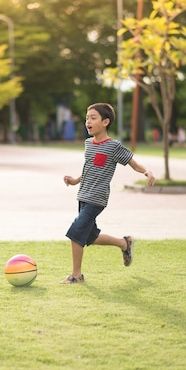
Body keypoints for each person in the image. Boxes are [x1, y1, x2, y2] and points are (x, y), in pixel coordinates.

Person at [61, 103, 155, 284]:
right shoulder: (88, 143)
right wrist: (74, 181)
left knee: (76, 232)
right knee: (90, 237)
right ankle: (124, 243)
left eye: (93, 118)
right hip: (82, 196)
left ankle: (76, 276)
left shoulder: (113, 147)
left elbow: (133, 163)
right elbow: (89, 168)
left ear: (105, 122)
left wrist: (146, 171)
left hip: (97, 199)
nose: (88, 121)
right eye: (87, 118)